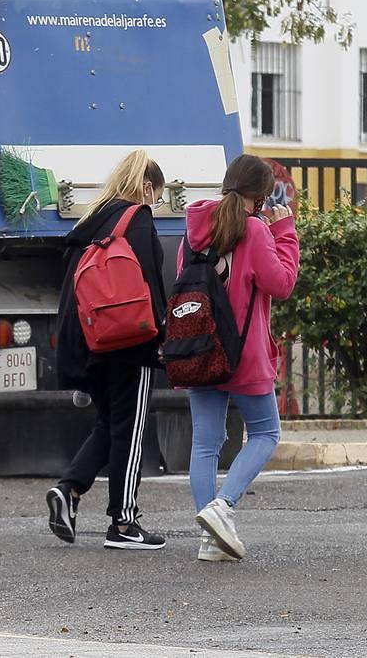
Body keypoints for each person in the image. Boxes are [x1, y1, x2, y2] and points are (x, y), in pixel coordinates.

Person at [45, 150, 169, 551]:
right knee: (130, 433)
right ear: (147, 187)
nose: (158, 203)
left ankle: (69, 490)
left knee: (110, 425)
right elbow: (150, 282)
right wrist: (163, 337)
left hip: (93, 341)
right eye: (158, 195)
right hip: (132, 342)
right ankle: (124, 522)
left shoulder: (92, 221)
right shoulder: (138, 219)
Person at [180, 154, 300, 561]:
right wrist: (284, 231)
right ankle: (223, 506)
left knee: (205, 444)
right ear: (261, 197)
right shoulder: (255, 230)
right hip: (244, 355)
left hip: (199, 350)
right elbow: (281, 284)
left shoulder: (195, 230)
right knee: (266, 433)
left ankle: (209, 540)